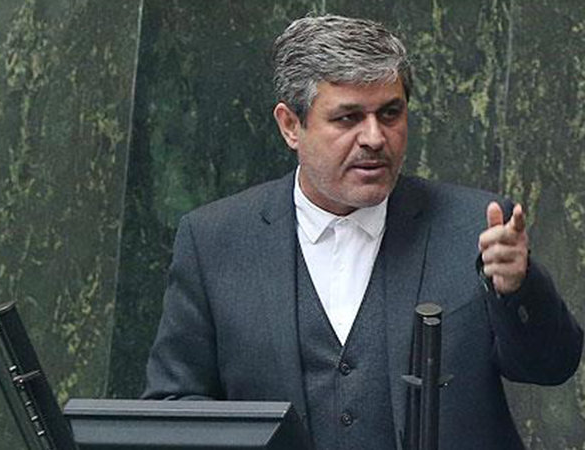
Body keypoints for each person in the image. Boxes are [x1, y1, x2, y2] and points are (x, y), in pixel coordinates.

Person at [143, 15, 583, 450]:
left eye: (390, 113)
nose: (374, 137)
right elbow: (175, 405)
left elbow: (551, 366)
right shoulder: (215, 240)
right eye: (348, 118)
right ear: (291, 125)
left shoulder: (474, 226)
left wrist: (519, 288)